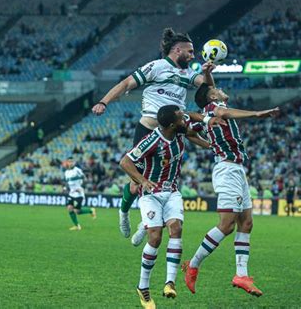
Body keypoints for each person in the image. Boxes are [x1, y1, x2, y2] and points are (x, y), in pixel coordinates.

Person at [92, 27, 221, 239]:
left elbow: (209, 93)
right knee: (136, 183)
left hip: (173, 133)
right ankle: (124, 213)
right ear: (177, 50)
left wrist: (207, 73)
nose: (192, 55)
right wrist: (104, 102)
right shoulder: (156, 67)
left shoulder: (189, 74)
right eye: (189, 51)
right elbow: (126, 84)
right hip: (148, 130)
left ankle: (148, 222)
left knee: (164, 184)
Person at [182, 83, 279, 297]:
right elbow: (222, 111)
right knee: (226, 226)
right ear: (212, 96)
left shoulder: (208, 111)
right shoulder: (214, 108)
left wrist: (208, 144)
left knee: (246, 223)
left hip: (236, 169)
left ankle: (241, 275)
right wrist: (256, 113)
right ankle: (193, 264)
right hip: (227, 169)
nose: (221, 89)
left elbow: (189, 132)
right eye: (216, 89)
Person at [120, 105, 208, 309]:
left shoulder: (179, 129)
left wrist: (208, 138)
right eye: (180, 118)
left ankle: (170, 282)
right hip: (151, 195)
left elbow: (194, 127)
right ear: (170, 124)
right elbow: (125, 162)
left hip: (173, 191)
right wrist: (142, 180)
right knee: (155, 237)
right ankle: (143, 287)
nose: (183, 120)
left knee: (176, 229)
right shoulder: (152, 141)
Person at [64, 157, 96, 231]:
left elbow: (85, 179)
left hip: (79, 193)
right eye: (69, 162)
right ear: (67, 163)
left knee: (77, 211)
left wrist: (81, 187)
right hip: (71, 193)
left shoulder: (77, 170)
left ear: (74, 162)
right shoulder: (66, 172)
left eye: (72, 161)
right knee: (69, 208)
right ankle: (77, 226)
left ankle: (91, 210)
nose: (70, 163)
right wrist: (65, 187)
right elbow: (67, 182)